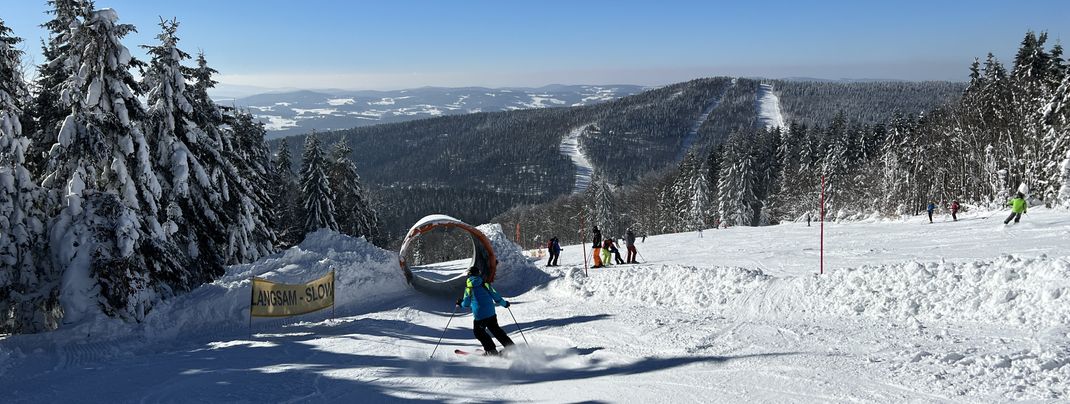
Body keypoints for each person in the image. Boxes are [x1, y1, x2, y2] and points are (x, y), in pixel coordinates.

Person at [456, 266, 514, 356]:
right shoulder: (485, 284)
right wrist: (505, 304)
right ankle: (510, 347)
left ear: (469, 276)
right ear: (478, 274)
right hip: (491, 313)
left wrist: (460, 303)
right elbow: (496, 296)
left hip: (480, 316)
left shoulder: (469, 288)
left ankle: (491, 350)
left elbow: (466, 304)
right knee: (496, 330)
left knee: (479, 332)